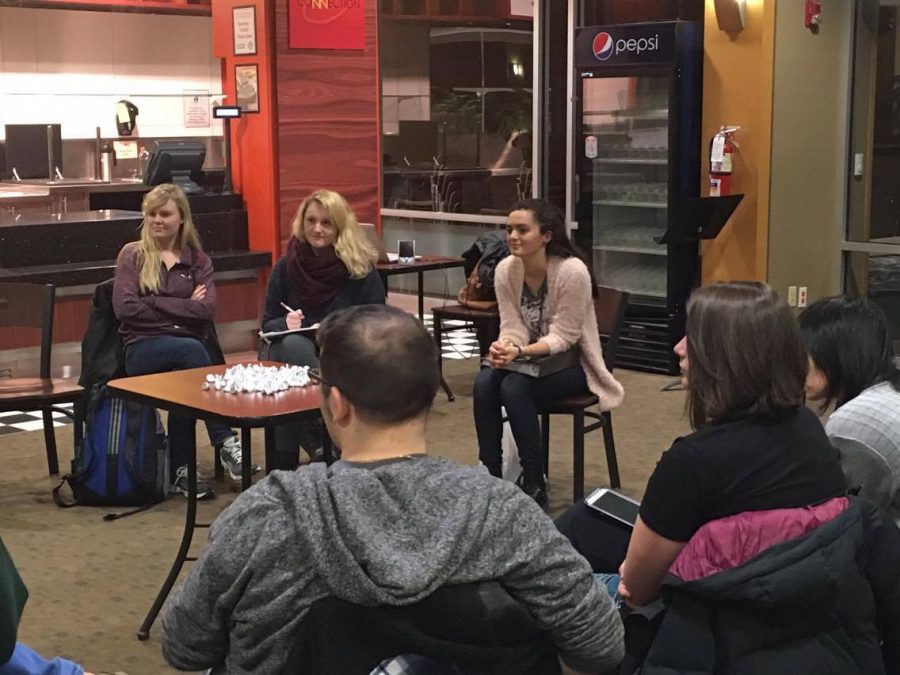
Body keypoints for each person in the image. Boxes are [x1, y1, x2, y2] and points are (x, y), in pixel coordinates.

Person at [162, 304, 624, 675]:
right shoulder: (502, 512)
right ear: (426, 398)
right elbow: (601, 647)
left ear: (336, 403)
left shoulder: (265, 515)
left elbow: (185, 647)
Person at [556, 282, 900, 672]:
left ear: (726, 357)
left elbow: (636, 590)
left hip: (707, 623)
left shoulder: (691, 461)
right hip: (794, 609)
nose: (679, 347)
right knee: (584, 521)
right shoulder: (809, 430)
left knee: (543, 579)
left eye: (693, 336)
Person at [473, 199, 624, 506]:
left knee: (514, 388)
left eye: (522, 229)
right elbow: (511, 323)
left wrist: (521, 351)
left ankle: (534, 481)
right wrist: (507, 346)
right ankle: (490, 474)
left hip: (573, 363)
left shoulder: (572, 271)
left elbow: (566, 337)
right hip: (528, 361)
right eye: (509, 229)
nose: (513, 236)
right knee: (485, 382)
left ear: (546, 235)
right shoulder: (505, 270)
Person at [112, 183, 255, 499]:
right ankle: (224, 441)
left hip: (186, 352)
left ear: (181, 219)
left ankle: (183, 471)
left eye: (165, 214)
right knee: (194, 353)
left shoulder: (197, 260)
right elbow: (125, 308)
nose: (157, 220)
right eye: (151, 214)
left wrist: (155, 301)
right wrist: (182, 308)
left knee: (187, 382)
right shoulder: (132, 255)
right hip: (141, 347)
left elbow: (205, 309)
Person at [260, 189, 385, 469]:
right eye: (311, 221)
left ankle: (299, 455)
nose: (317, 229)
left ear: (339, 226)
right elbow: (267, 324)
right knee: (291, 346)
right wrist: (285, 323)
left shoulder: (359, 268)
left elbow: (378, 320)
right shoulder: (286, 267)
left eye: (326, 223)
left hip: (344, 351)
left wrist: (333, 327)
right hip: (295, 351)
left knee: (294, 358)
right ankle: (324, 440)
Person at [800, 296, 900, 525]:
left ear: (834, 355)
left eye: (802, 355)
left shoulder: (858, 421)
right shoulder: (888, 393)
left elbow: (845, 519)